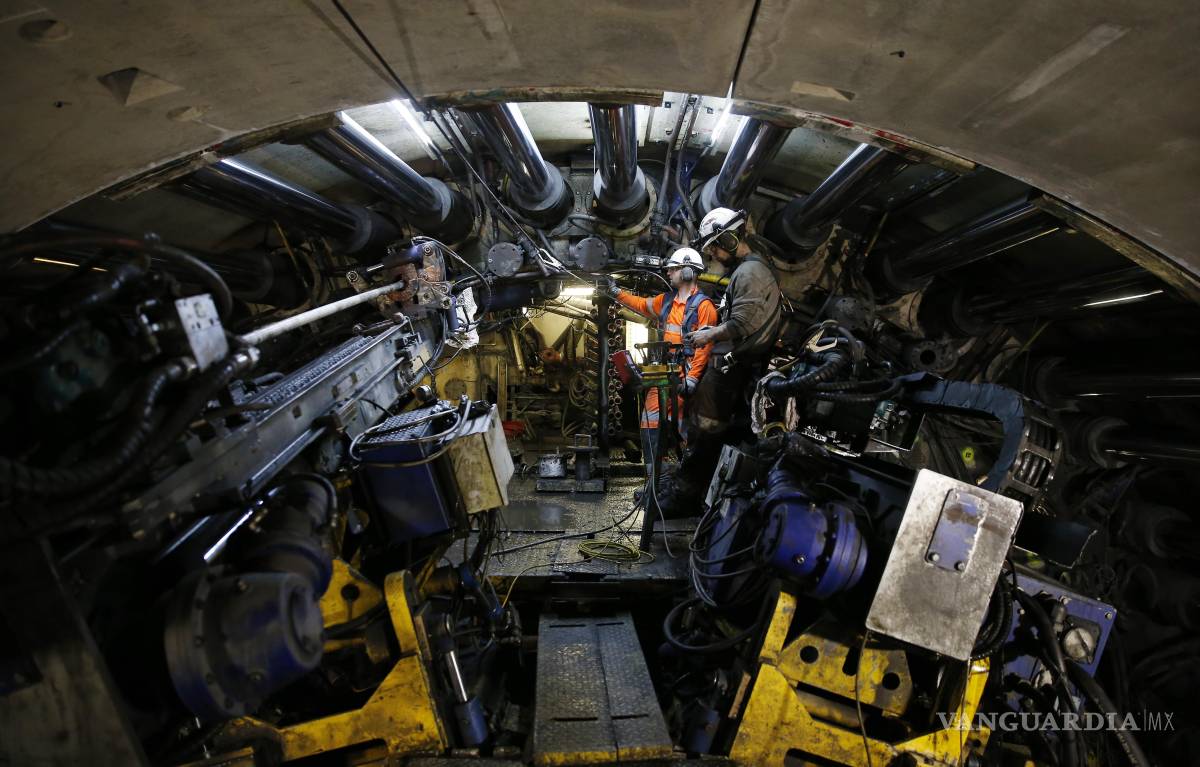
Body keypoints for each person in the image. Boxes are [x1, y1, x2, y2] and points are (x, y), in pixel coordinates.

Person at [666, 207, 782, 512]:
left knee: (704, 432)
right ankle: (690, 491)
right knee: (707, 433)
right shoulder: (748, 270)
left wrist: (708, 335)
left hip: (734, 370)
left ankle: (683, 498)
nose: (715, 254)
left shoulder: (751, 272)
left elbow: (743, 323)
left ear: (731, 238)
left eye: (716, 245)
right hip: (736, 368)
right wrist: (714, 329)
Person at [606, 247, 718, 470]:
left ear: (687, 272)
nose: (668, 273)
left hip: (686, 378)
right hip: (665, 374)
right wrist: (615, 292)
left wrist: (693, 380)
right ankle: (654, 478)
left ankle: (687, 478)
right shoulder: (665, 301)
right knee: (650, 420)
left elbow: (704, 349)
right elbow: (640, 304)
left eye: (673, 269)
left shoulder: (704, 307)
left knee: (685, 427)